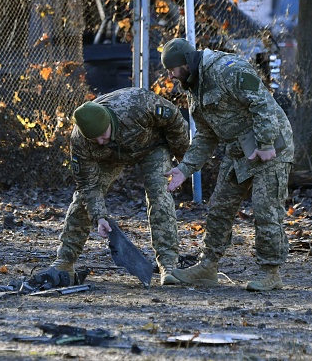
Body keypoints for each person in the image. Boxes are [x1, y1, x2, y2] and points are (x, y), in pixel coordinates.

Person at [161, 38, 294, 291]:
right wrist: (185, 167)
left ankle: (270, 272)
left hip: (271, 148)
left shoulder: (228, 69)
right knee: (220, 209)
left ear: (186, 64)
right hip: (238, 151)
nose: (169, 75)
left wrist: (266, 144)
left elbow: (262, 102)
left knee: (266, 211)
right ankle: (208, 266)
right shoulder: (193, 86)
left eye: (172, 69)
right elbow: (206, 134)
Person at [50, 87, 190, 286]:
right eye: (94, 138)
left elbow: (174, 119)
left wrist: (184, 162)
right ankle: (64, 262)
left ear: (108, 121)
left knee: (160, 194)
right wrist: (99, 217)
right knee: (82, 201)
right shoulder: (81, 142)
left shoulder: (137, 105)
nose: (99, 140)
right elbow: (88, 186)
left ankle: (168, 265)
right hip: (111, 156)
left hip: (152, 146)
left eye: (102, 134)